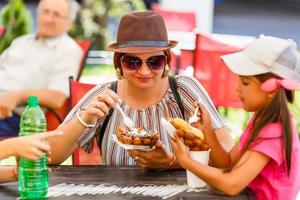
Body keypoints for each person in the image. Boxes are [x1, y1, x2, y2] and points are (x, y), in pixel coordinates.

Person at [48, 11, 233, 169]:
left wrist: (173, 161)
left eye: (155, 62)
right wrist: (85, 118)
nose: (144, 71)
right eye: (132, 62)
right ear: (119, 63)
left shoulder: (183, 89)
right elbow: (51, 156)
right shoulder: (104, 97)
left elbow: (227, 155)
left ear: (166, 61)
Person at [170, 36, 300, 199]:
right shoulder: (261, 119)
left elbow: (232, 184)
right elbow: (228, 163)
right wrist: (209, 132)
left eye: (245, 83)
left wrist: (186, 161)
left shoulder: (274, 131)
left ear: (271, 89)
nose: (237, 89)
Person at [0, 0, 83, 136]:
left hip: (15, 116)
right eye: (45, 12)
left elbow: (57, 97)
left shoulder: (68, 50)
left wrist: (15, 97)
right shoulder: (21, 42)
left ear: (69, 22)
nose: (48, 19)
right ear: (38, 14)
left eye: (56, 14)